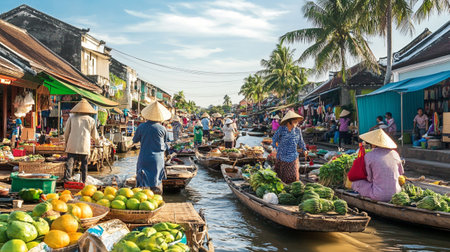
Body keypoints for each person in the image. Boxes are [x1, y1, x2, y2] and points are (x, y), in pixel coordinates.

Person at [351, 129, 404, 202]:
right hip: (397, 194)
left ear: (374, 144)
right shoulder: (395, 154)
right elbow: (400, 174)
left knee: (356, 183)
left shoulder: (369, 156)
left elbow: (369, 178)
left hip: (378, 195)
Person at [132, 101, 171, 193]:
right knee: (156, 183)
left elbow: (135, 140)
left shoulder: (141, 127)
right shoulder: (162, 128)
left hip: (144, 158)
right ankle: (158, 200)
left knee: (142, 184)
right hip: (157, 159)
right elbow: (166, 143)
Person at [64, 99, 99, 184]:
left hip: (72, 144)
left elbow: (66, 132)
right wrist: (98, 143)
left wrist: (66, 143)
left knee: (70, 164)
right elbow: (95, 135)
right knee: (84, 165)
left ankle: (67, 180)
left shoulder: (71, 118)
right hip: (84, 145)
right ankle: (83, 181)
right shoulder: (91, 120)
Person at [271, 110, 307, 184]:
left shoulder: (298, 130)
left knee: (294, 176)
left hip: (293, 156)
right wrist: (275, 148)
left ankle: (293, 189)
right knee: (282, 177)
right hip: (282, 156)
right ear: (289, 122)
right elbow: (274, 139)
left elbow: (301, 141)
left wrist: (304, 149)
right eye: (295, 121)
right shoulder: (282, 129)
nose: (297, 123)